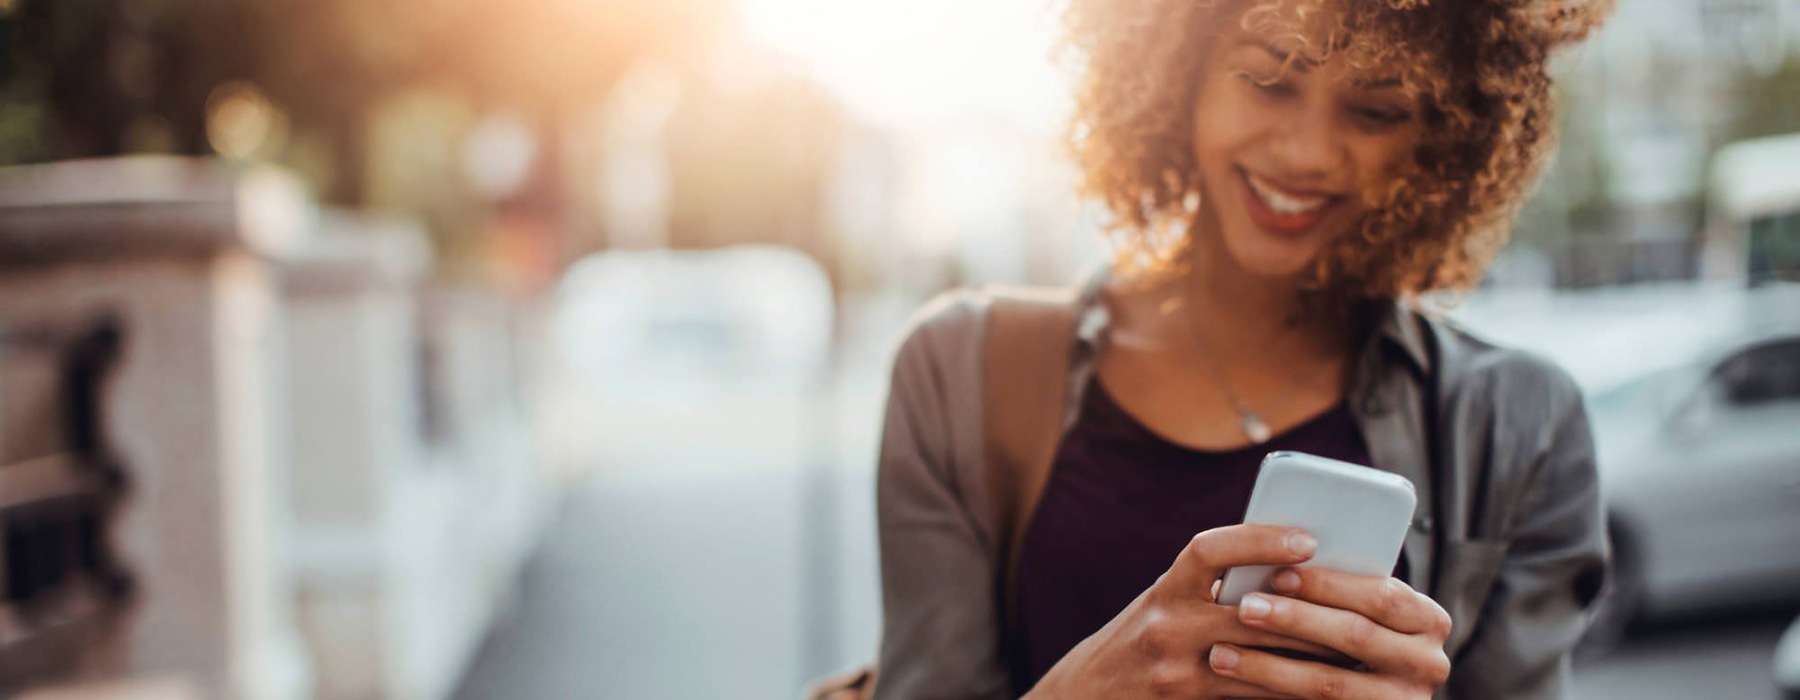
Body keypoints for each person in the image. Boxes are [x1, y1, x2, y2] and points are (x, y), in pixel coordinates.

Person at [871, 0, 1614, 699]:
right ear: (1177, 71)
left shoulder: (1523, 423)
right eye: (1268, 81)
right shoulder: (963, 369)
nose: (1307, 152)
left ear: (1444, 138)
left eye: (1376, 110)